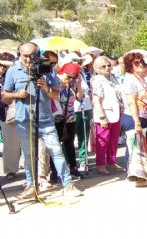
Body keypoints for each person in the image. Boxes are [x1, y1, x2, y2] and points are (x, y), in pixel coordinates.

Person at [2, 42, 82, 199]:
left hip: (45, 119)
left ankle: (68, 184)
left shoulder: (46, 69)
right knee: (28, 154)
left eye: (31, 55)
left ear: (37, 55)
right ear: (20, 55)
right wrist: (17, 96)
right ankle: (31, 185)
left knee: (56, 151)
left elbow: (56, 95)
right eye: (24, 56)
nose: (28, 59)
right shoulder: (13, 71)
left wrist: (46, 87)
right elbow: (5, 96)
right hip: (24, 119)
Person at [121, 52, 147, 186]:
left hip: (144, 116)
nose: (141, 65)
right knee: (134, 148)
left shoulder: (141, 78)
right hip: (133, 117)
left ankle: (143, 173)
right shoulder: (130, 80)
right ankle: (134, 175)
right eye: (136, 63)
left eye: (142, 62)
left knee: (143, 147)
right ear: (130, 65)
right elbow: (131, 102)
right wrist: (137, 122)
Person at [48, 62, 84, 181]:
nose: (70, 79)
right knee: (55, 145)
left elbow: (80, 97)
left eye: (73, 76)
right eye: (68, 76)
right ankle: (53, 171)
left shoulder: (73, 83)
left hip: (70, 117)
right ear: (62, 72)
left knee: (70, 144)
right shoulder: (55, 82)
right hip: (56, 118)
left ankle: (73, 168)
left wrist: (78, 84)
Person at [90, 56, 124, 175]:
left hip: (116, 113)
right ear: (98, 68)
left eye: (108, 65)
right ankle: (100, 164)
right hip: (104, 114)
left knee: (114, 140)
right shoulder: (97, 80)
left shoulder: (113, 77)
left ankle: (112, 161)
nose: (107, 68)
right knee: (103, 141)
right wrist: (102, 117)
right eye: (103, 66)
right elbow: (96, 100)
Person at [0, 53, 18, 181]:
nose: (2, 68)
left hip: (19, 110)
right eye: (1, 65)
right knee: (10, 143)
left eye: (5, 66)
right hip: (5, 114)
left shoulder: (14, 74)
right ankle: (11, 170)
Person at [74, 55, 94, 172]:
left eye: (80, 62)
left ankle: (83, 160)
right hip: (74, 110)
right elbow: (78, 96)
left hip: (86, 108)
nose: (79, 65)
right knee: (70, 138)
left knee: (84, 137)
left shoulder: (83, 74)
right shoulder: (65, 77)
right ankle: (70, 163)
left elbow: (88, 92)